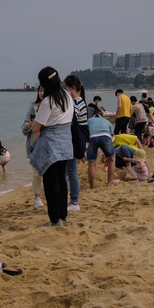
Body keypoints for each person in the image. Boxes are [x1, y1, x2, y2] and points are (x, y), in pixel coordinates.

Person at [29, 67, 74, 227]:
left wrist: (31, 124)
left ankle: (55, 220)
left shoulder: (48, 101)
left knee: (50, 182)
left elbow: (36, 127)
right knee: (62, 179)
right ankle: (63, 215)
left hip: (51, 144)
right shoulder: (67, 96)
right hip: (65, 142)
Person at [64, 75, 89, 211]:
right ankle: (73, 200)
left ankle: (74, 201)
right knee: (70, 171)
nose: (64, 90)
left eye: (65, 88)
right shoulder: (80, 101)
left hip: (74, 140)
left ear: (72, 88)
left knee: (71, 171)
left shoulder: (76, 103)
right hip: (77, 140)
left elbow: (72, 121)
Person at [22, 88, 45, 207]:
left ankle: (48, 195)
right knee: (36, 174)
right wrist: (30, 125)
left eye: (44, 90)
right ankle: (37, 198)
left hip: (48, 144)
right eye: (40, 90)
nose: (42, 93)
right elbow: (23, 128)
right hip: (34, 145)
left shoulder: (52, 106)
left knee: (47, 173)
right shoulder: (33, 107)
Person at [86, 114, 116, 188]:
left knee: (91, 164)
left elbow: (85, 133)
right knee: (111, 160)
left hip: (92, 137)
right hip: (105, 136)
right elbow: (112, 136)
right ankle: (109, 183)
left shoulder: (88, 121)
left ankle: (91, 186)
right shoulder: (107, 121)